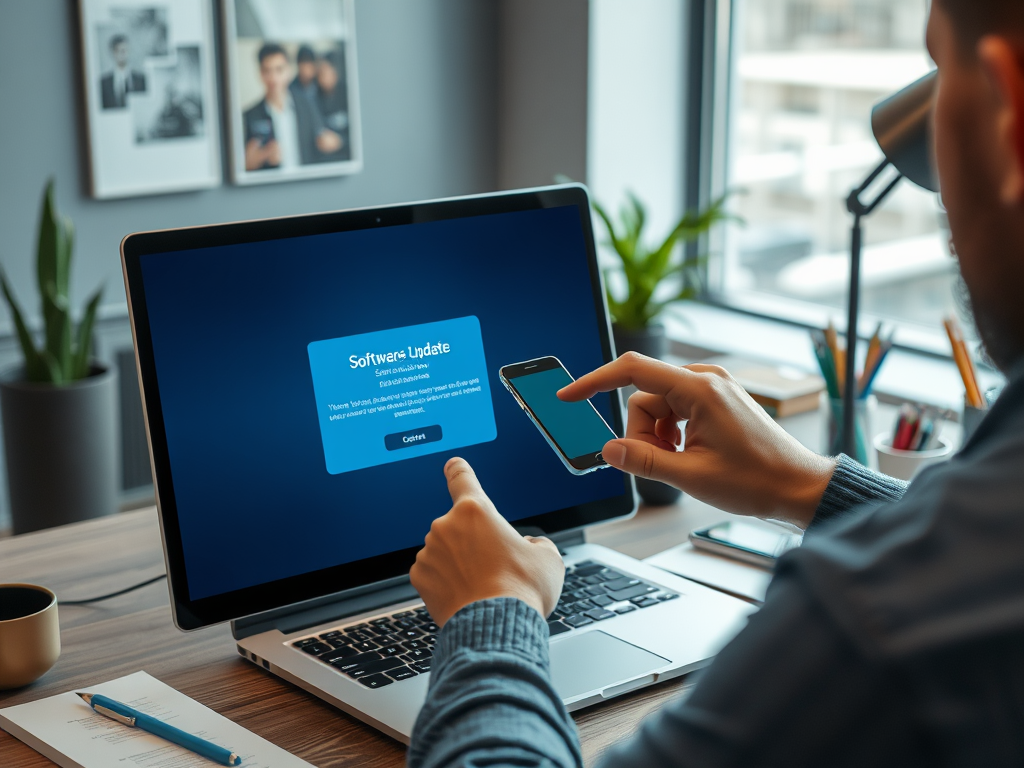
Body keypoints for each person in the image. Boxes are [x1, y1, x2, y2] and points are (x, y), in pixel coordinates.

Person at [407, 0, 1024, 765]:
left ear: (1010, 112)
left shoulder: (870, 625)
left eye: (941, 69)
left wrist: (491, 613)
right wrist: (809, 485)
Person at [243, 44, 341, 172]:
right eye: (267, 71)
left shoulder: (307, 105)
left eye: (279, 70)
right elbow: (245, 164)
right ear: (260, 73)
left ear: (288, 70)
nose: (274, 78)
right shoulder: (250, 116)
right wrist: (259, 158)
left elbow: (323, 137)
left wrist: (333, 141)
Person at [312, 48, 350, 162]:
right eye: (319, 73)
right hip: (324, 158)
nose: (322, 77)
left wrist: (341, 141)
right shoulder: (314, 97)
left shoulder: (347, 94)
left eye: (325, 71)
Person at [100, 34, 146, 110]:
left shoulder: (141, 80)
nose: (123, 54)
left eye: (125, 50)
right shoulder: (104, 83)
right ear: (112, 53)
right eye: (118, 50)